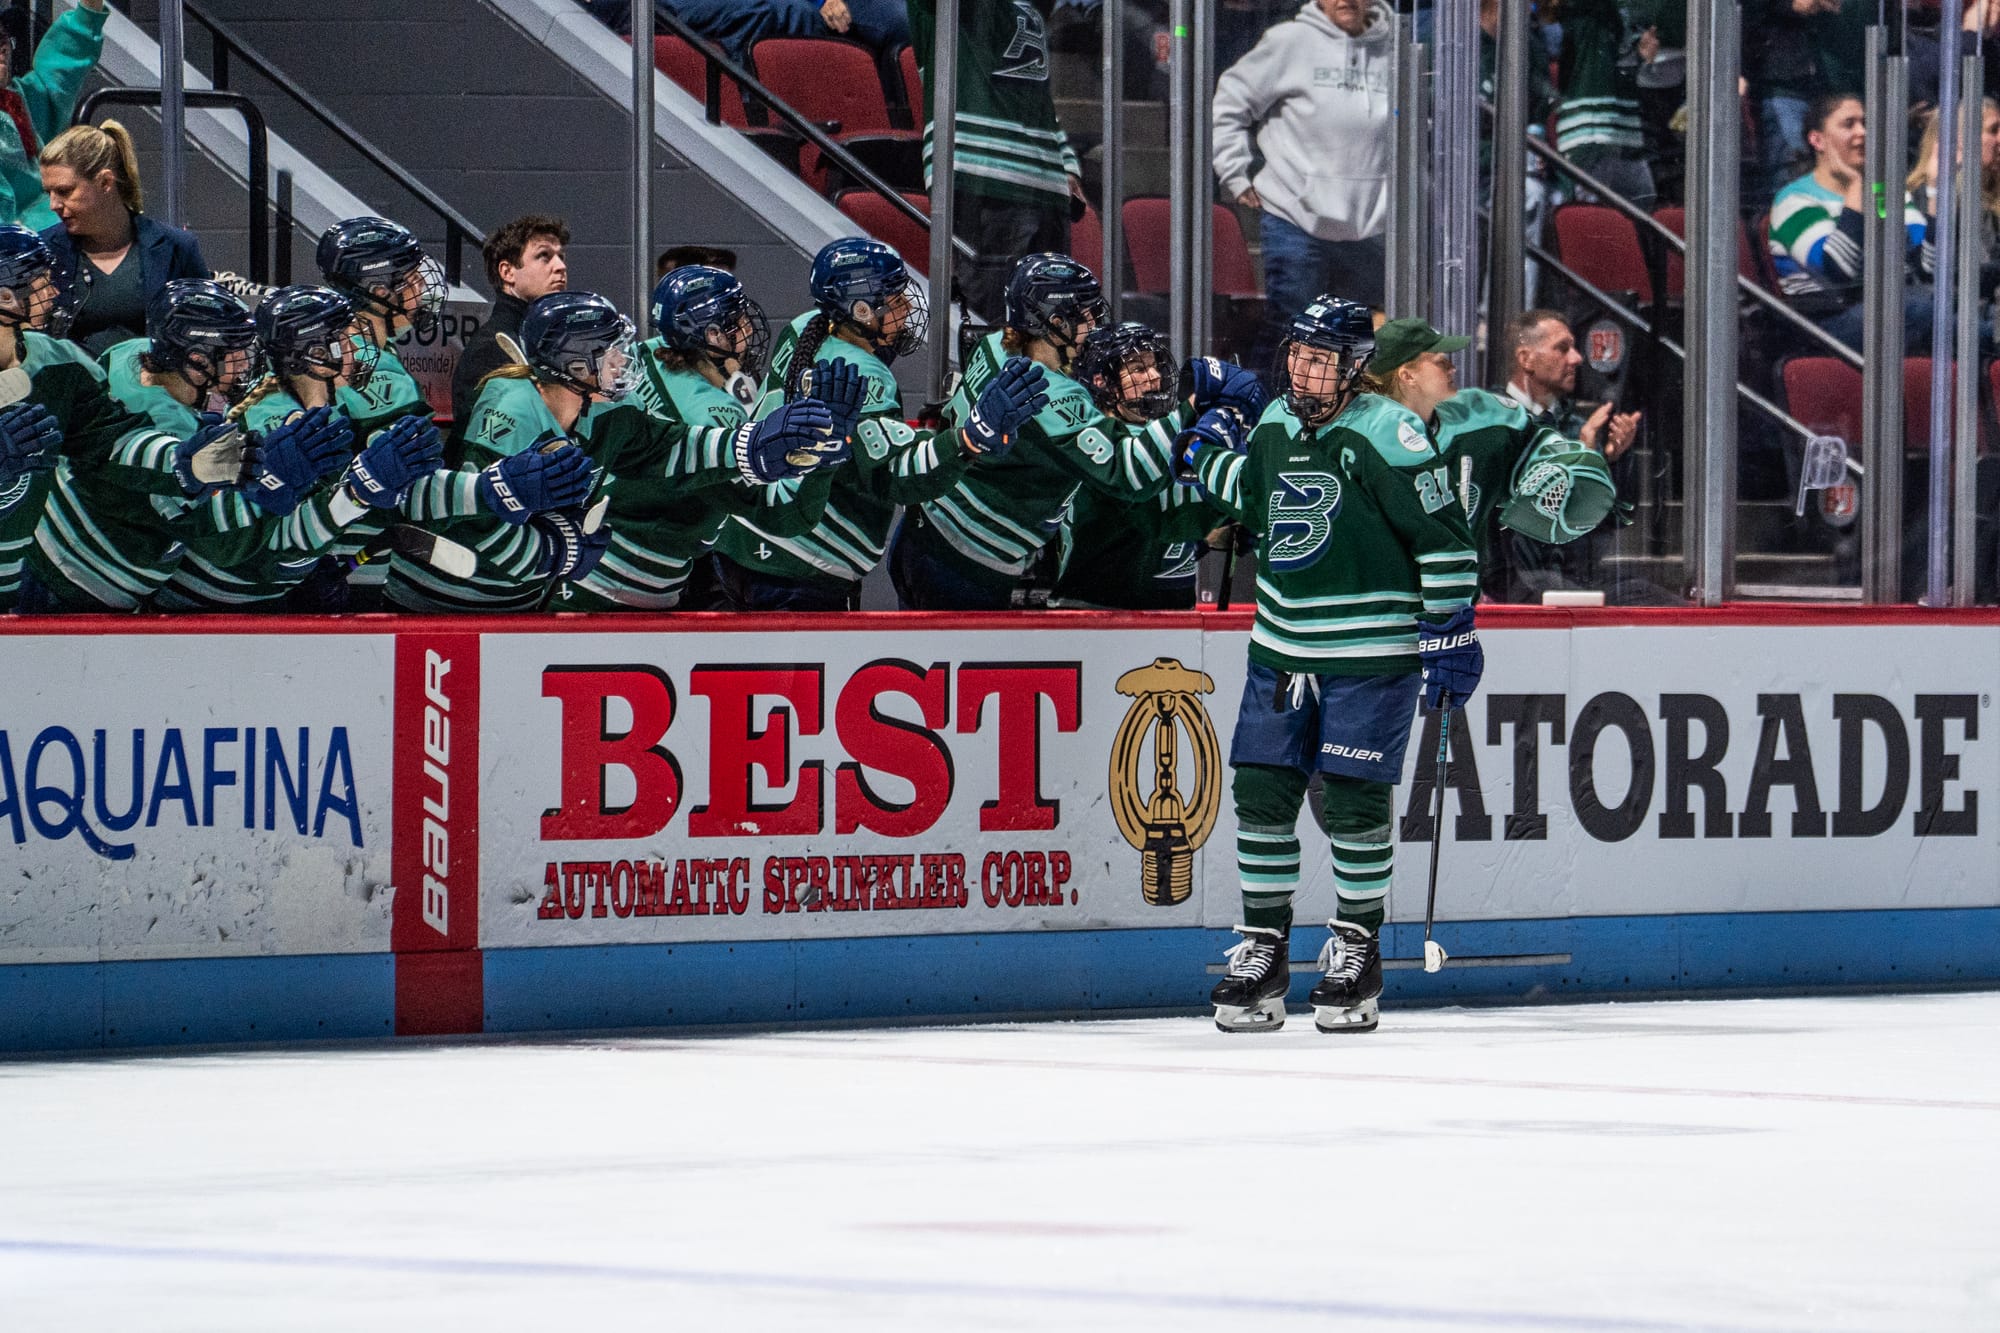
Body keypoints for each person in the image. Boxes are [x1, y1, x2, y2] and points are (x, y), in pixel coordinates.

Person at [1182, 305, 1486, 1035]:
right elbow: (1252, 502)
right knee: (1259, 791)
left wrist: (1448, 627)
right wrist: (1197, 451)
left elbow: (1443, 537)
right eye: (1300, 355)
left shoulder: (1392, 431)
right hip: (1281, 648)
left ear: (1355, 366)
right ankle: (1265, 948)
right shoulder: (1277, 427)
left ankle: (1356, 947)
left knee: (1352, 801)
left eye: (1323, 359)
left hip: (1370, 654)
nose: (1305, 370)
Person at [713, 236, 1045, 610]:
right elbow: (896, 473)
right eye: (896, 298)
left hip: (742, 537)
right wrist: (969, 439)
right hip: (801, 562)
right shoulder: (862, 373)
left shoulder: (805, 326)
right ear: (861, 310)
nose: (907, 308)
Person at [888, 252, 1193, 610]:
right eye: (1086, 313)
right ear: (1055, 321)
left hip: (918, 533)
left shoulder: (994, 345)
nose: (1096, 322)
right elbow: (1128, 473)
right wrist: (1193, 411)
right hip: (967, 566)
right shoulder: (1051, 395)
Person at [545, 266, 856, 611]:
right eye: (737, 320)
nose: (749, 328)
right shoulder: (712, 414)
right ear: (711, 334)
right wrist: (823, 460)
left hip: (572, 564)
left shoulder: (641, 356)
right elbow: (784, 514)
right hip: (620, 587)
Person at [22, 279, 267, 611]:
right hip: (74, 578)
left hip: (54, 557)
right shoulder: (170, 429)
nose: (242, 365)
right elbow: (212, 533)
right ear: (197, 360)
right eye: (233, 353)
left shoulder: (127, 354)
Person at [1212, 0, 1393, 368]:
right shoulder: (1289, 41)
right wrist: (1234, 171)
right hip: (1295, 216)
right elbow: (1230, 100)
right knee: (1292, 331)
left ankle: (1343, 421)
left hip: (1371, 224)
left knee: (1356, 339)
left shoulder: (1394, 48)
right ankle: (1267, 417)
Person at [909, 0, 1087, 322]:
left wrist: (1066, 161)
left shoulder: (1030, 6)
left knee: (1052, 336)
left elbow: (1034, 92)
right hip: (985, 178)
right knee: (992, 329)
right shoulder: (948, 11)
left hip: (1046, 185)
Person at [1049, 322, 1235, 610]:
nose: (1154, 376)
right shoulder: (1100, 448)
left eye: (1154, 366)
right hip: (1094, 615)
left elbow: (1181, 524)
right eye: (1138, 369)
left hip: (1174, 615)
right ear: (1103, 382)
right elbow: (1153, 503)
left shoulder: (1167, 437)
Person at [1460, 309, 1631, 602]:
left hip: (1574, 581)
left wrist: (1612, 461)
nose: (1577, 358)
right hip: (1509, 585)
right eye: (1562, 348)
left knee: (1644, 594)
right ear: (1526, 359)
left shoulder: (1575, 426)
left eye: (1574, 348)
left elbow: (1607, 528)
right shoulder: (1487, 422)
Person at [1769, 93, 1934, 353]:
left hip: (1901, 307)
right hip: (1833, 324)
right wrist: (1858, 183)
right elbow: (1839, 269)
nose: (1863, 132)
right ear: (1817, 140)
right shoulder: (1794, 199)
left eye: (1865, 123)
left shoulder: (1886, 191)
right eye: (1849, 125)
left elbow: (1928, 263)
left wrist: (1934, 191)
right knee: (1923, 308)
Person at [37, 120, 207, 358]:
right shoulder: (41, 251)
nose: (53, 205)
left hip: (155, 391)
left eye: (64, 191)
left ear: (105, 182)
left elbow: (206, 333)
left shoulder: (177, 247)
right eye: (49, 193)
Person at [451, 214, 569, 434]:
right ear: (507, 272)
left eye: (561, 256)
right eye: (544, 256)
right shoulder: (490, 350)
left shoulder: (547, 341)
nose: (560, 266)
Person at [0, 0, 107, 231]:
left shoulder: (25, 97)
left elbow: (62, 63)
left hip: (45, 229)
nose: (2, 53)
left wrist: (89, 10)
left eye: (3, 43)